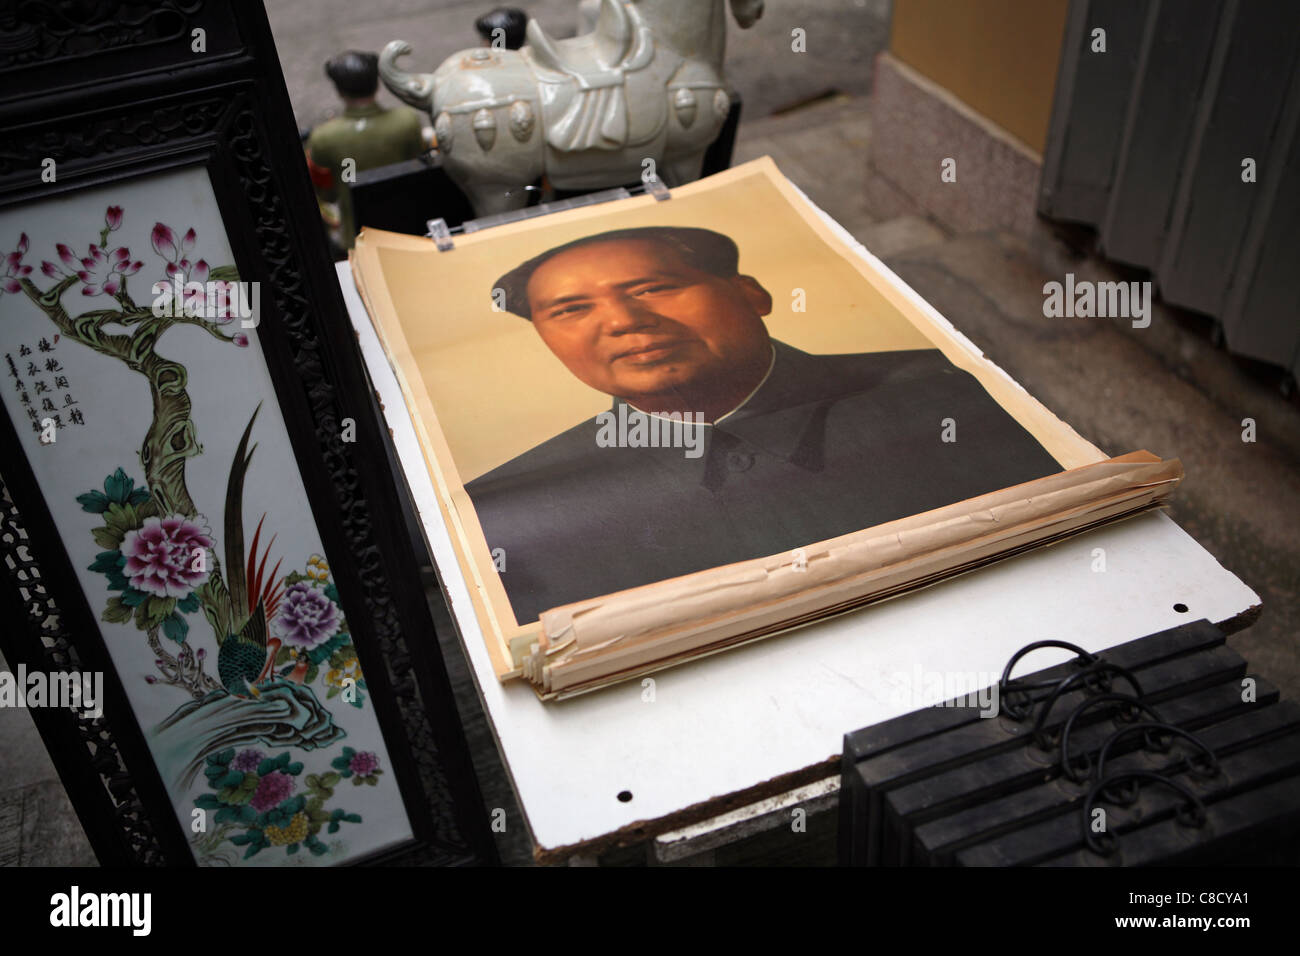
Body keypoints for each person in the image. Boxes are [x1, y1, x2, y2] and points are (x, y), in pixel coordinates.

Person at [465, 226, 1062, 622]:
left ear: (751, 294)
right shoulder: (511, 504)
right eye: (570, 310)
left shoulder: (939, 391)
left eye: (653, 288)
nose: (622, 321)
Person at [306, 51, 426, 251]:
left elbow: (328, 194)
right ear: (377, 84)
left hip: (358, 235)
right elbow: (417, 164)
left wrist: (349, 169)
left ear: (340, 91)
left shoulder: (325, 137)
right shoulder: (407, 121)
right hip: (409, 224)